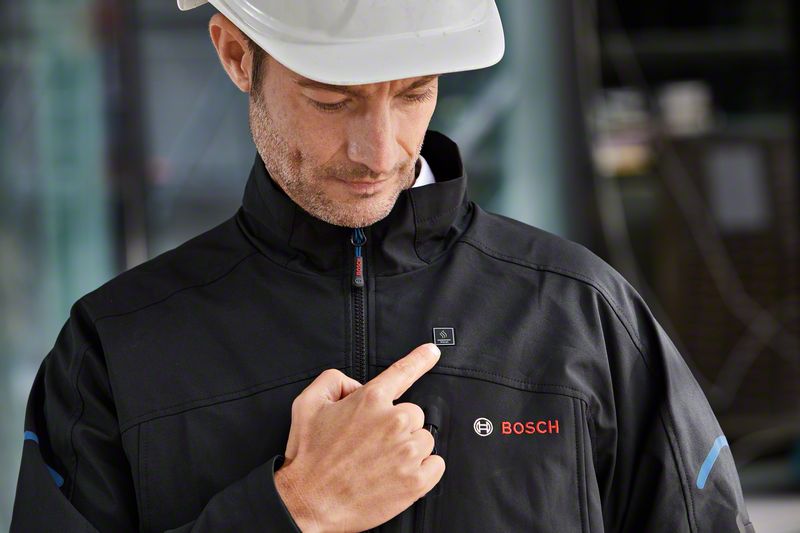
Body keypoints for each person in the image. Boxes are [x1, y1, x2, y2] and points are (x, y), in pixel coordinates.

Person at [11, 1, 755, 532]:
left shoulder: (583, 314)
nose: (380, 151)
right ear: (236, 54)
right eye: (332, 100)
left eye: (413, 93)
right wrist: (293, 509)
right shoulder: (116, 350)